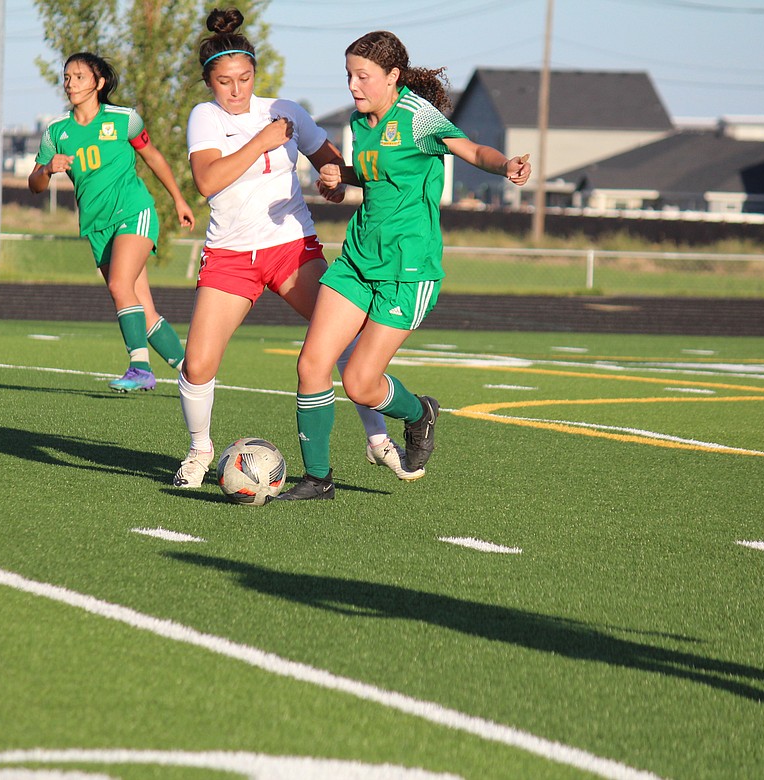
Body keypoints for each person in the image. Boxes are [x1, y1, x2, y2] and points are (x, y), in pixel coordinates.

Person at [278, 30, 532, 501]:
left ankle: (418, 414)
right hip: (357, 260)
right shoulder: (361, 121)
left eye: (364, 76)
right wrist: (341, 176)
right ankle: (317, 479)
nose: (353, 86)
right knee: (312, 363)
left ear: (393, 76)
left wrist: (505, 167)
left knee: (359, 383)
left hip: (407, 271)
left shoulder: (417, 117)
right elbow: (377, 173)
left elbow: (471, 149)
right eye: (349, 75)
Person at [173, 7, 414, 489]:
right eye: (224, 81)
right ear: (209, 83)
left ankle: (379, 438)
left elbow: (334, 164)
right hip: (231, 256)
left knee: (341, 342)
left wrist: (334, 182)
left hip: (290, 249)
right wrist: (263, 141)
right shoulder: (205, 117)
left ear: (254, 74)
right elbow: (207, 181)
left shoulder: (287, 110)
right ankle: (200, 450)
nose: (236, 89)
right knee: (198, 362)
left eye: (244, 78)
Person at [28, 52, 196, 393]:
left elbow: (154, 158)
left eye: (79, 76)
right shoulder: (57, 133)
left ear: (99, 82)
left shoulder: (124, 120)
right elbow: (35, 184)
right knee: (141, 309)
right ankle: (194, 371)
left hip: (134, 212)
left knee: (120, 286)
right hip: (97, 225)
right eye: (67, 76)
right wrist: (47, 169)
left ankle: (139, 367)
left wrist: (178, 199)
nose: (70, 83)